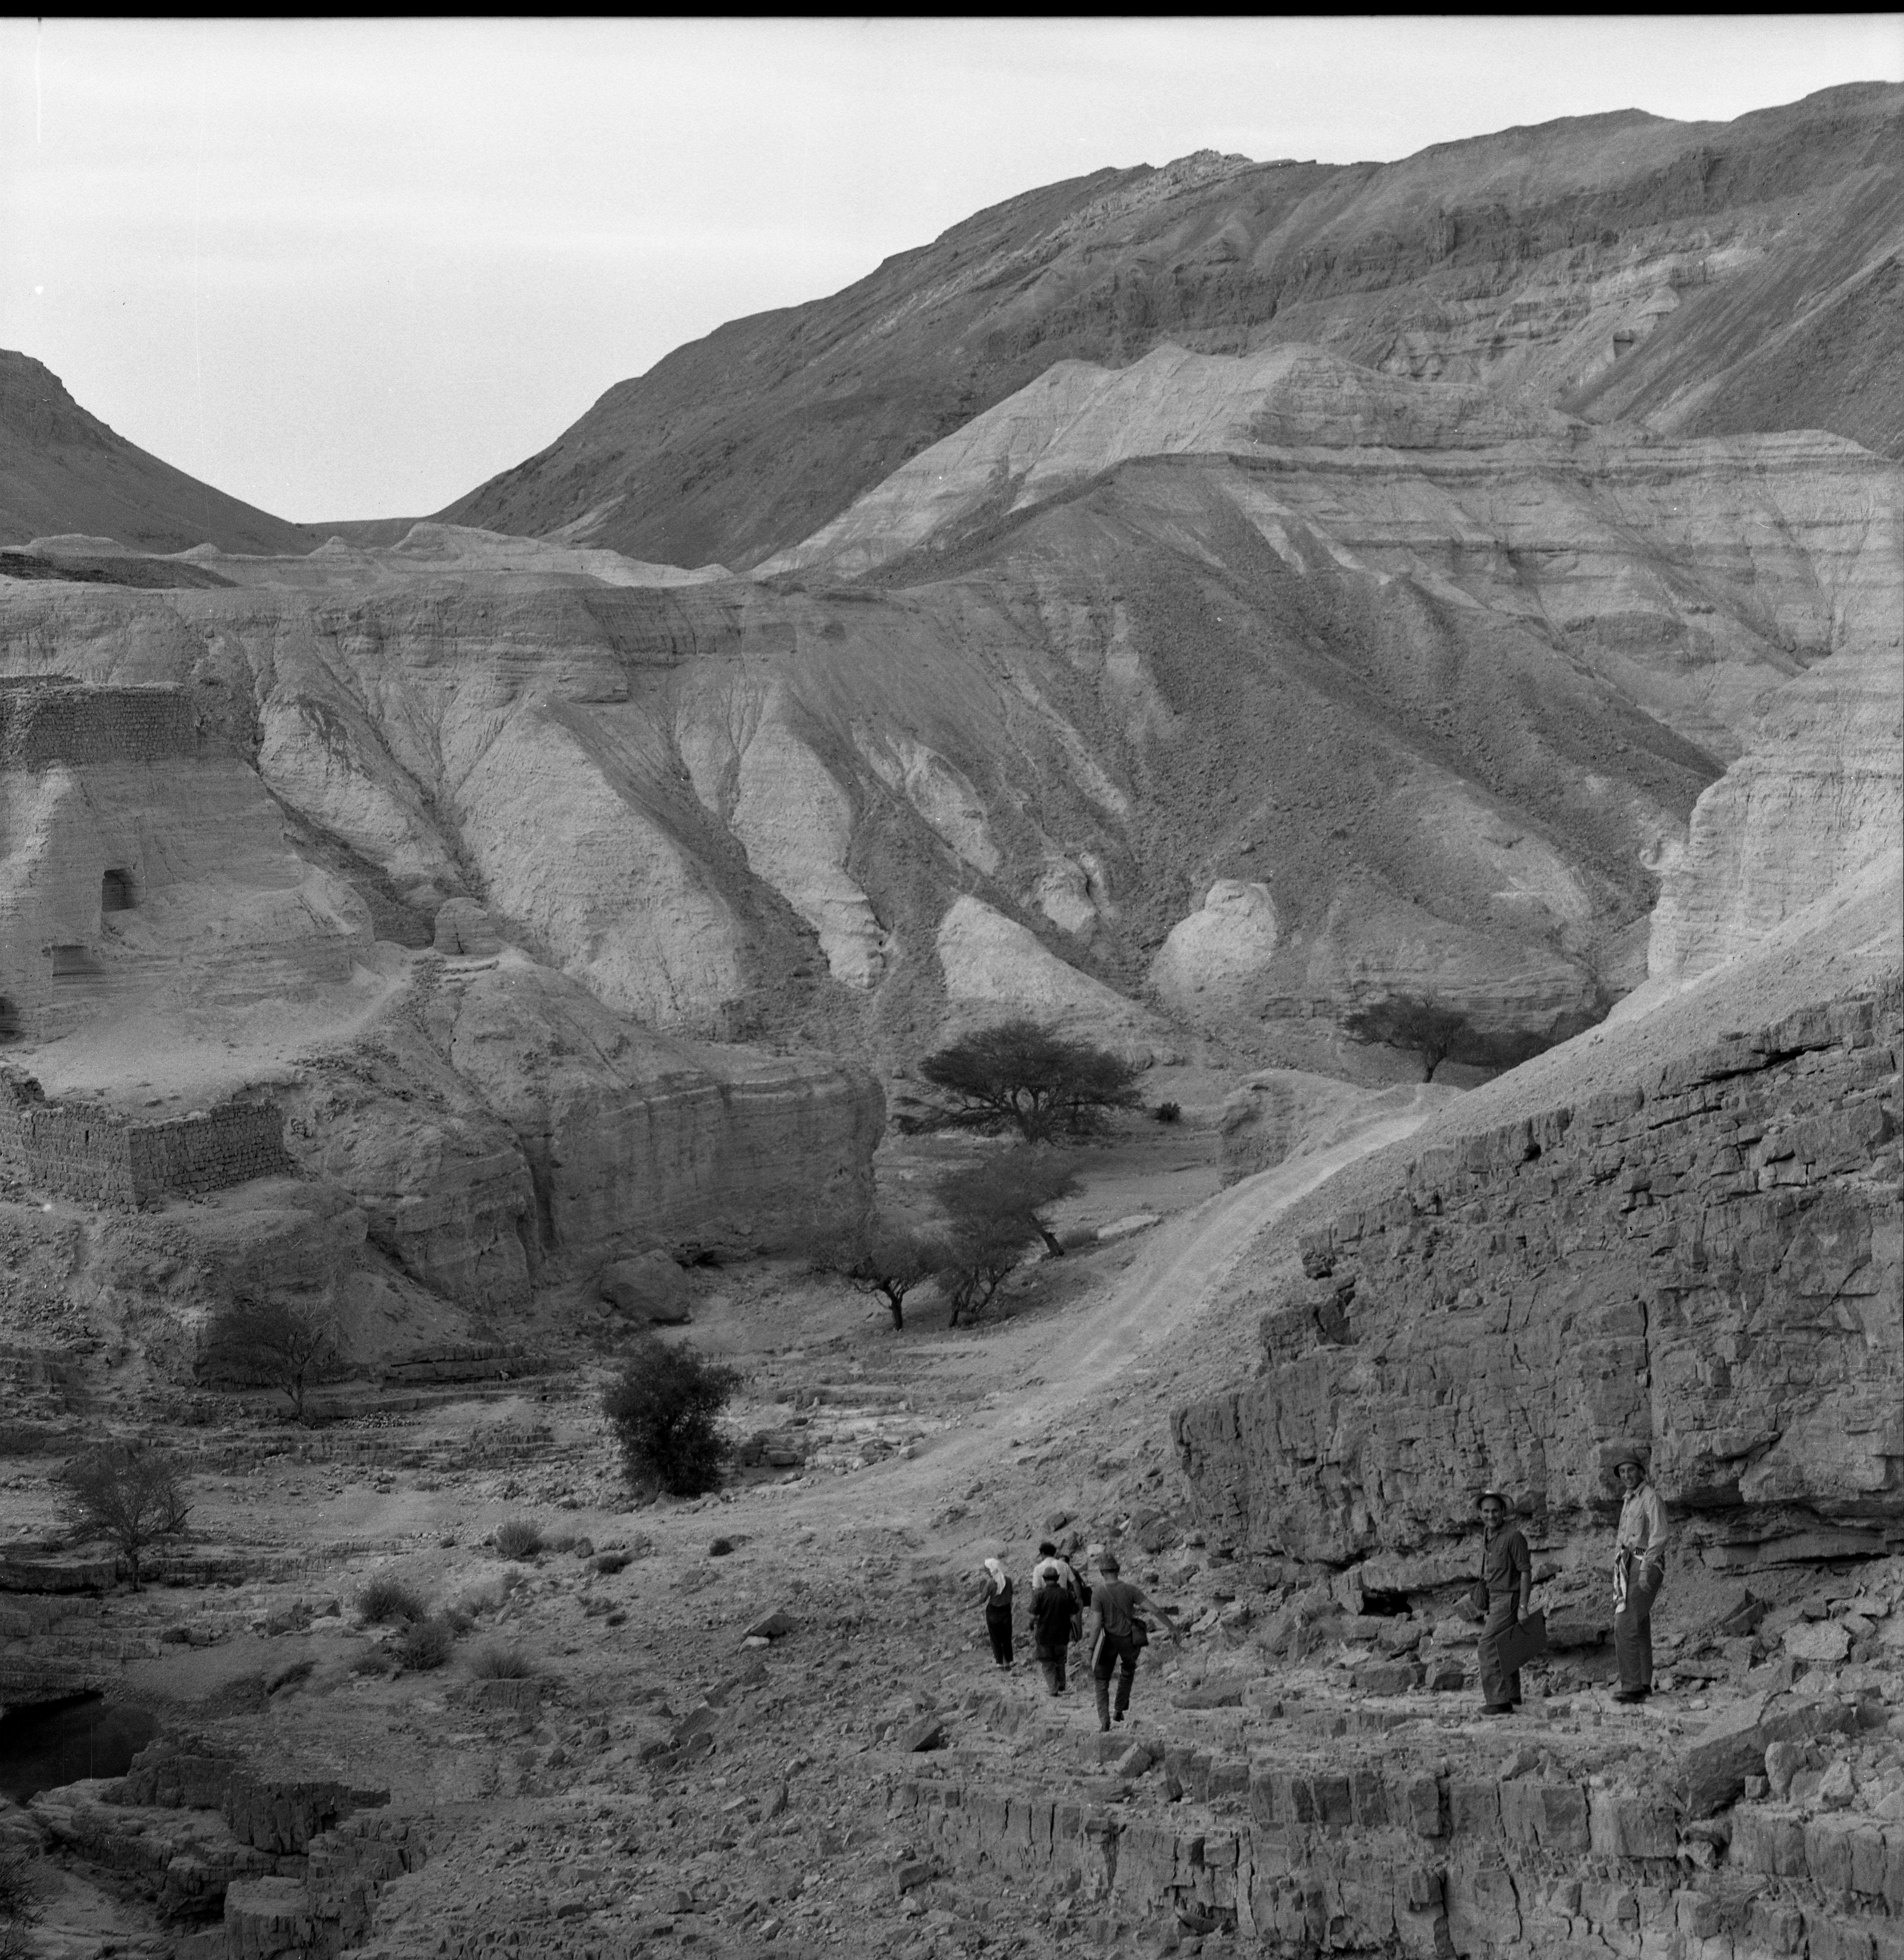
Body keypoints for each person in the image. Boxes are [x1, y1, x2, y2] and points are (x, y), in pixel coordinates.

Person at [1087, 1552, 1181, 1731]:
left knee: (1101, 1681)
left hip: (1107, 1641)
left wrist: (1092, 1648)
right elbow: (1154, 1609)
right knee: (1127, 1673)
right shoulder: (1130, 1590)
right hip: (1128, 1639)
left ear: (1102, 1572)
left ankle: (1104, 1719)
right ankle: (1119, 1709)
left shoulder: (1098, 1593)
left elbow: (1096, 1623)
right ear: (1118, 1570)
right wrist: (1173, 1628)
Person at [1611, 1447, 1669, 1703]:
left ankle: (1632, 1686)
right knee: (1640, 1624)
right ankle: (1644, 1683)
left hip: (1644, 1564)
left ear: (1641, 1471)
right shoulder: (1629, 1500)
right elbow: (1623, 1539)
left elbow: (1660, 1535)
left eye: (1631, 1470)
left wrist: (1645, 1569)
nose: (1627, 1475)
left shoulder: (1650, 1498)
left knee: (1625, 1624)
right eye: (1622, 1472)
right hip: (1628, 1565)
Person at [1475, 1489, 1531, 1715]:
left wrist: (1523, 1608)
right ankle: (1512, 1694)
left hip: (1508, 1599)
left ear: (1503, 1512)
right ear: (1480, 1513)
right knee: (1504, 1645)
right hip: (1496, 1598)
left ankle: (1499, 1702)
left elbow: (1525, 1572)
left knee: (1487, 1647)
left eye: (1495, 1511)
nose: (1491, 1516)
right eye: (1486, 1511)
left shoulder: (1513, 1536)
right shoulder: (1488, 1535)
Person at [1029, 1558, 1079, 1695]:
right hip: (1062, 1634)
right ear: (1058, 1578)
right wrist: (1076, 1630)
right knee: (1060, 1660)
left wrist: (1031, 1626)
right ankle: (1062, 1685)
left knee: (1047, 1663)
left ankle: (1053, 1689)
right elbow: (1075, 1613)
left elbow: (1033, 1616)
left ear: (1044, 1579)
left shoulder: (1039, 1595)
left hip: (1044, 1634)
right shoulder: (1066, 1594)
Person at [978, 1556, 1014, 1670]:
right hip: (1006, 1611)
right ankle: (1008, 1662)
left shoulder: (991, 1583)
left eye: (986, 1570)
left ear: (990, 1570)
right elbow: (1011, 1594)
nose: (985, 1572)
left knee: (995, 1637)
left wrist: (967, 1607)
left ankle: (1000, 1662)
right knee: (1007, 1637)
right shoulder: (1008, 1580)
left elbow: (982, 1599)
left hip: (993, 1612)